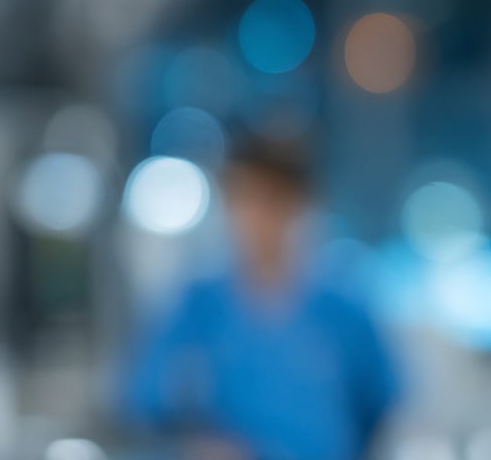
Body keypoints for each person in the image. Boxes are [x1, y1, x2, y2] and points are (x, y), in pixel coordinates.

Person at [119, 138, 401, 460]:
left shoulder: (343, 306)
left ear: (300, 205)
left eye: (272, 201)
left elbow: (382, 405)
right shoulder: (197, 305)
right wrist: (199, 440)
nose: (256, 218)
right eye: (244, 199)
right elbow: (146, 399)